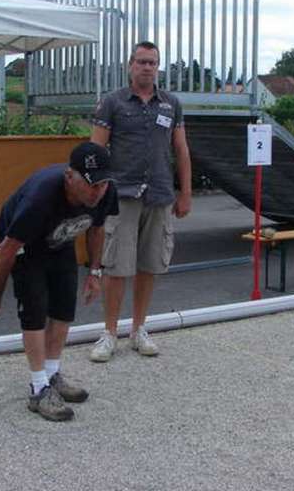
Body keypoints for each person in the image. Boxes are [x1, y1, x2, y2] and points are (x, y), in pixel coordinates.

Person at [0, 141, 119, 421]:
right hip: (24, 245)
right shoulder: (39, 199)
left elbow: (96, 229)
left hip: (59, 238)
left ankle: (52, 375)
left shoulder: (106, 192)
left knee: (65, 305)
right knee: (35, 309)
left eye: (103, 184)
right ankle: (38, 387)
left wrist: (94, 272)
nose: (98, 191)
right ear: (69, 177)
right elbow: (6, 248)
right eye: (92, 184)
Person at [88, 41, 192, 362]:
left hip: (159, 194)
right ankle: (109, 333)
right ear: (130, 65)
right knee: (117, 267)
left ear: (158, 67)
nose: (148, 67)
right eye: (142, 61)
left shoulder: (171, 104)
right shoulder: (112, 103)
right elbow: (95, 152)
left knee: (149, 265)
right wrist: (95, 192)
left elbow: (181, 149)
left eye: (153, 63)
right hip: (122, 195)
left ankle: (138, 329)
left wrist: (185, 191)